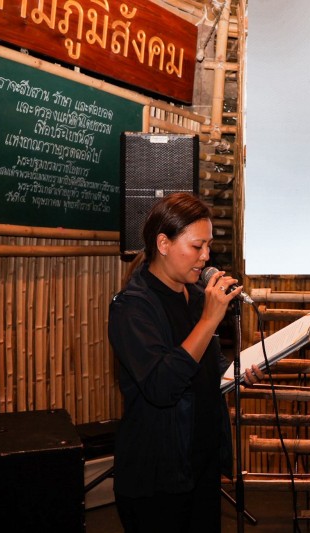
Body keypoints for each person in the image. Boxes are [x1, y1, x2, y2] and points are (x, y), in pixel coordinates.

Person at [108, 192, 262, 533]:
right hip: (157, 476)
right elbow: (161, 387)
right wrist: (209, 320)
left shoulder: (194, 297)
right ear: (163, 243)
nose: (206, 257)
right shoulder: (131, 307)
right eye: (197, 246)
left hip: (201, 466)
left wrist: (238, 372)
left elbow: (206, 367)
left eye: (208, 246)